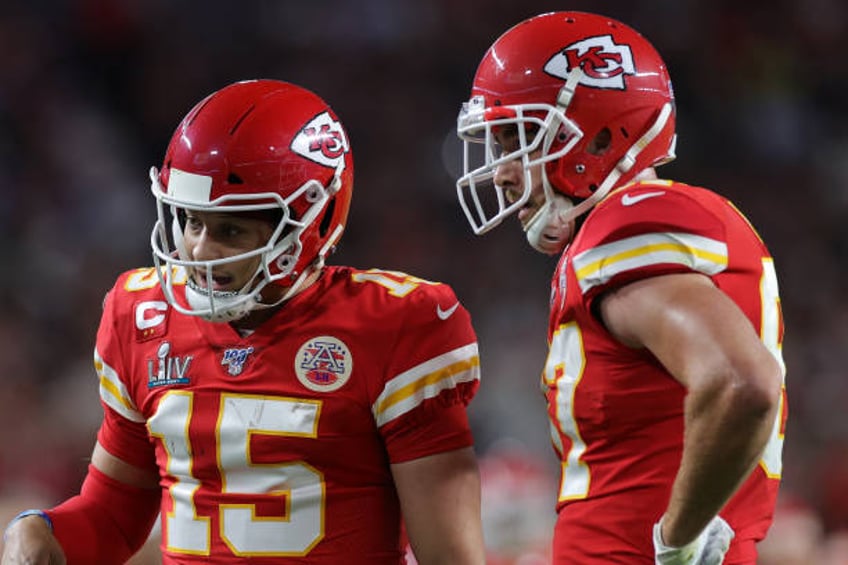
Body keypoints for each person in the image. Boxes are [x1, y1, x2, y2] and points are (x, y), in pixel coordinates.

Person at [2, 79, 486, 564]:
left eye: (230, 229)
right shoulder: (141, 316)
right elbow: (113, 514)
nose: (199, 251)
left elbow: (450, 558)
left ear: (312, 222)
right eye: (192, 221)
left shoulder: (396, 325)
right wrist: (42, 534)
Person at [454, 11, 787, 564]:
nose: (501, 171)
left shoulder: (634, 219)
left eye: (519, 138)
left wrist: (678, 541)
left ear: (601, 134)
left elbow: (743, 383)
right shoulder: (630, 228)